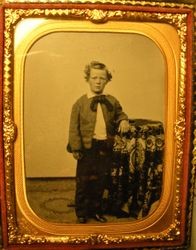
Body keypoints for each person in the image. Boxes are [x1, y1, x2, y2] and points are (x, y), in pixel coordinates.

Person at [67, 61, 130, 223]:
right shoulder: (80, 103)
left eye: (102, 78)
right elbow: (74, 128)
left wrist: (123, 120)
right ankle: (82, 212)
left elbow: (120, 113)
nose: (98, 81)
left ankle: (96, 210)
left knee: (100, 181)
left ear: (107, 80)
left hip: (104, 147)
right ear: (88, 79)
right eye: (94, 77)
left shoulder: (111, 101)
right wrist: (76, 148)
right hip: (87, 148)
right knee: (84, 181)